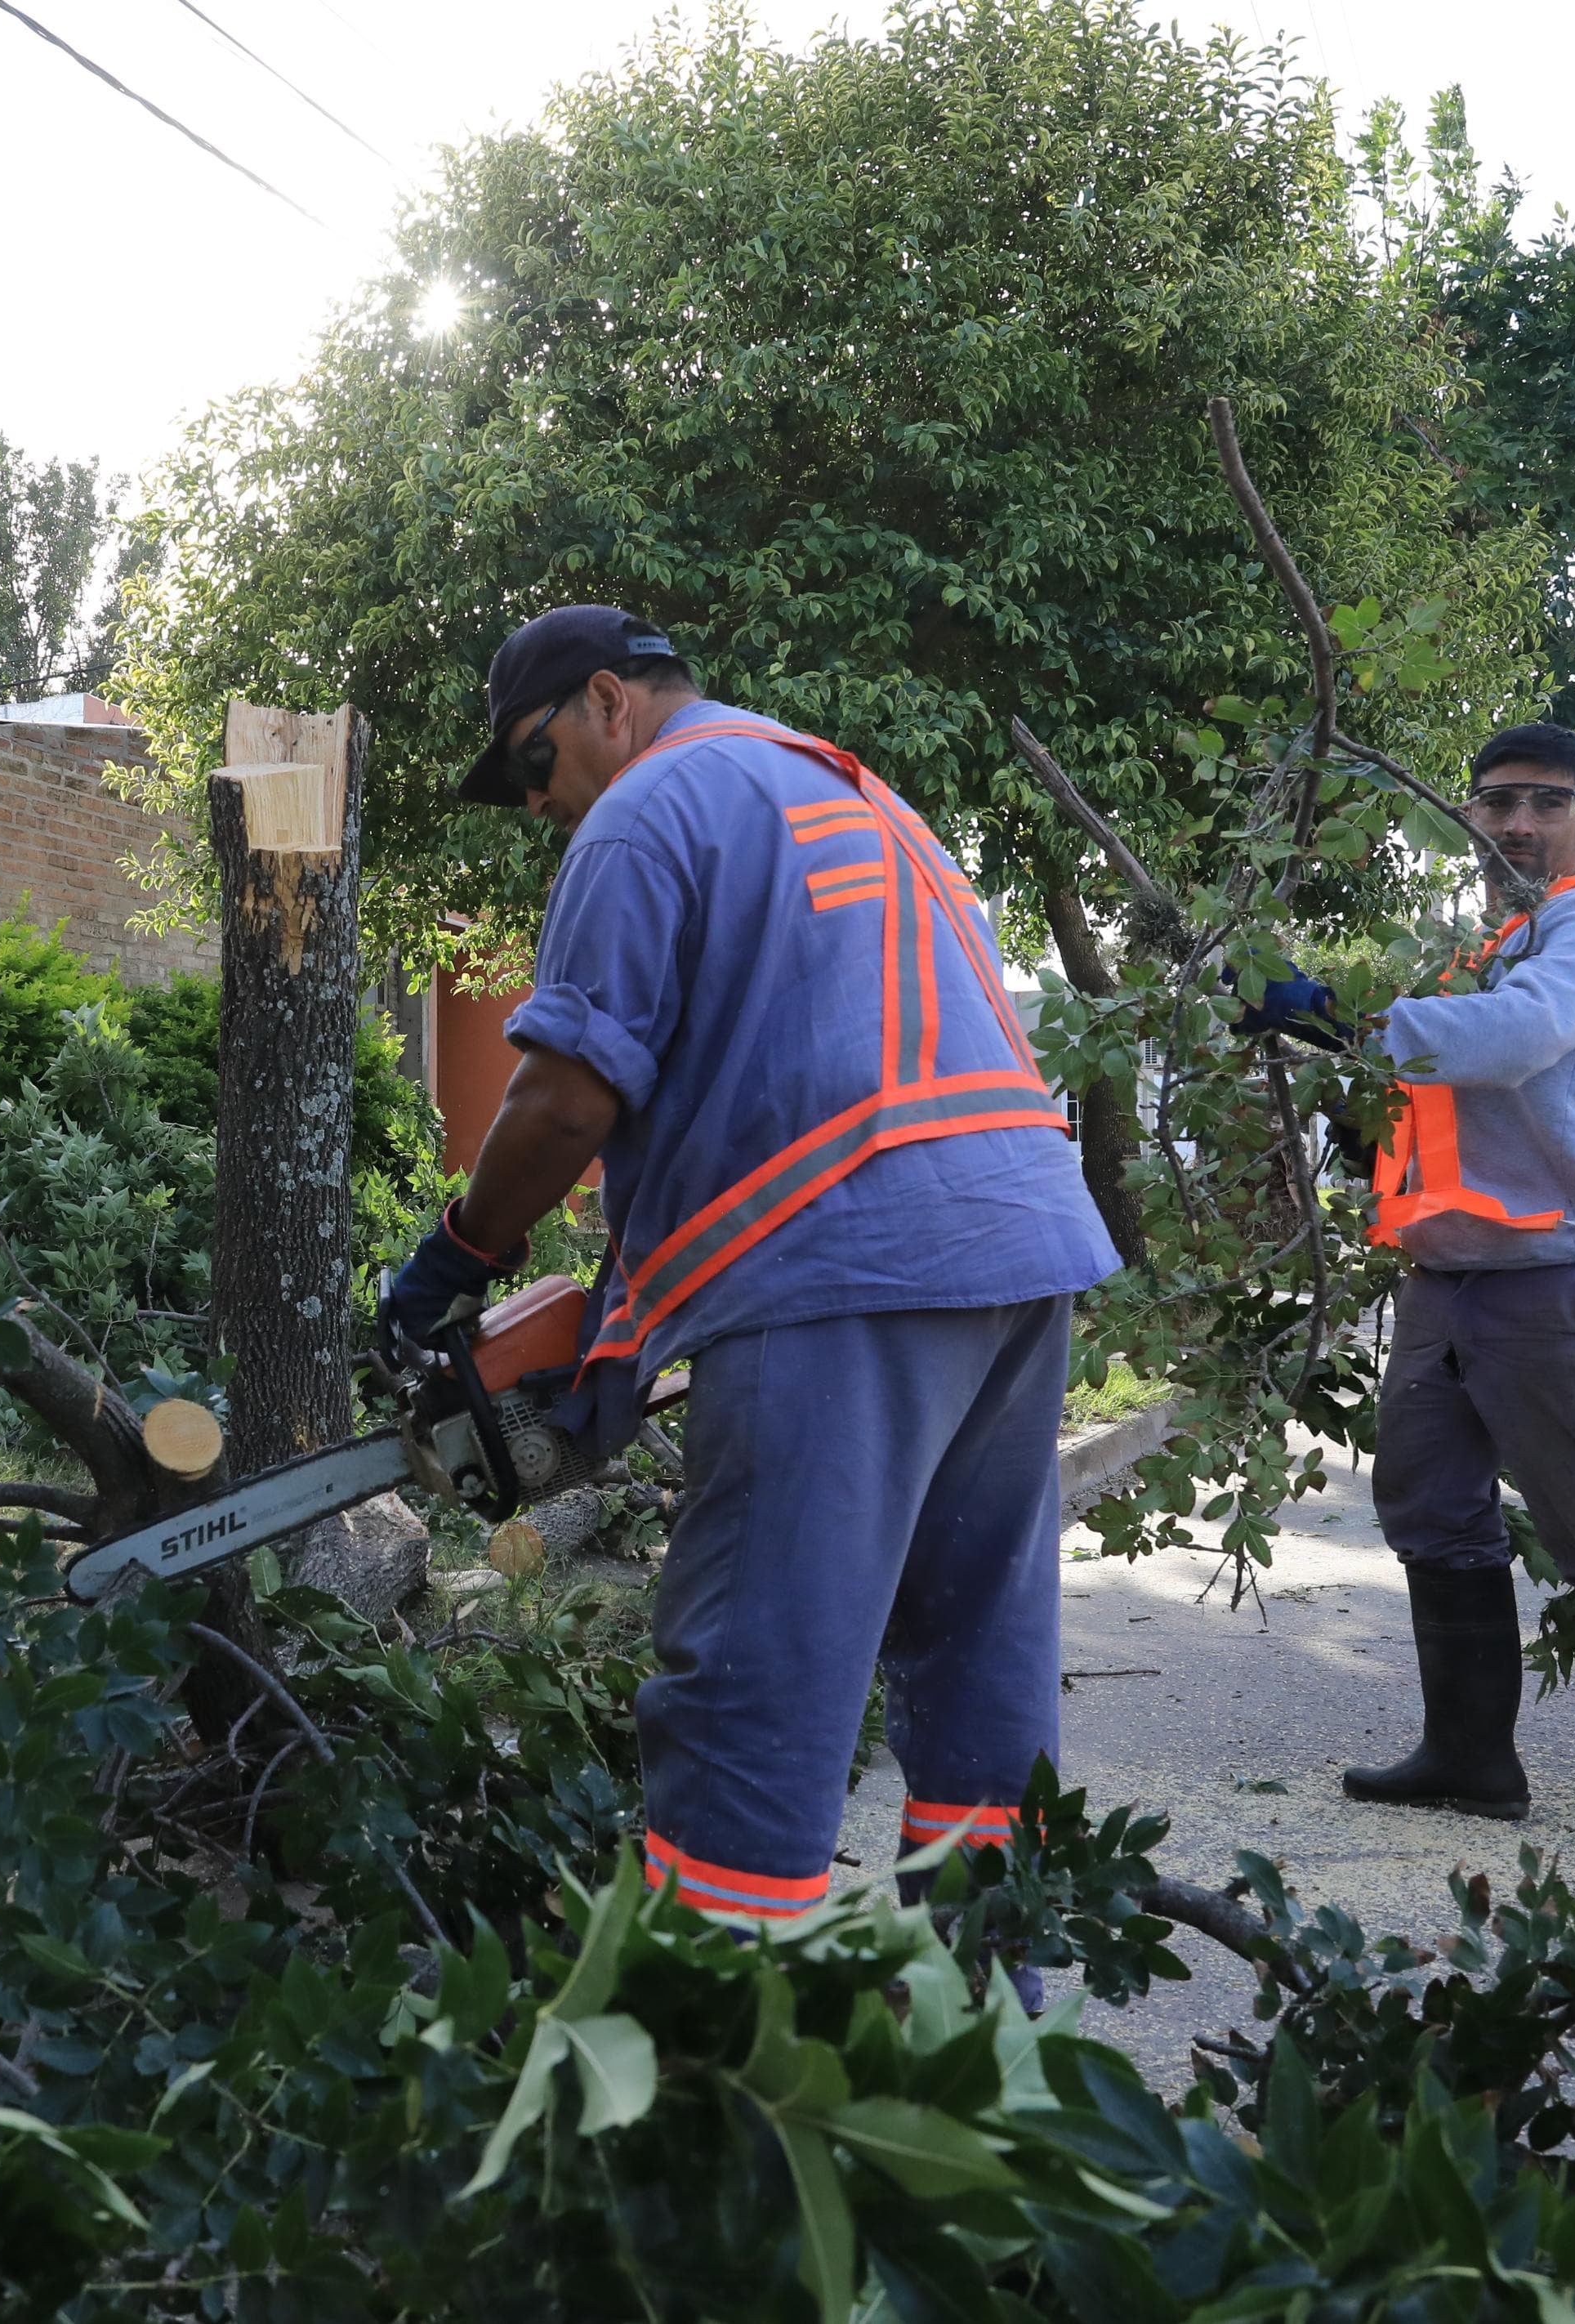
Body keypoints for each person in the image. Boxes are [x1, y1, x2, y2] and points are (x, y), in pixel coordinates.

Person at [380, 606, 1122, 1923]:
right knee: (974, 1675)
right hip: (1015, 1253)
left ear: (607, 700)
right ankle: (987, 2046)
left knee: (753, 1688)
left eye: (534, 764)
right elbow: (777, 1089)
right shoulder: (844, 789)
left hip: (851, 1267)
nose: (541, 805)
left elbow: (562, 1101)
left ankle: (720, 2057)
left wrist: (457, 1253)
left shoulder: (646, 806)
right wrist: (620, 1324)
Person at [1248, 721, 1575, 1857]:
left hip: (1556, 1284)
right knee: (1432, 1512)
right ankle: (1472, 1761)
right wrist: (1358, 1109)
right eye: (1498, 804)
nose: (1520, 824)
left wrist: (1346, 1021)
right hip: (1448, 1283)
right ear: (1472, 820)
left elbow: (1515, 1040)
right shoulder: (1484, 949)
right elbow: (1443, 1100)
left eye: (1547, 803)